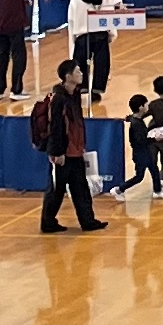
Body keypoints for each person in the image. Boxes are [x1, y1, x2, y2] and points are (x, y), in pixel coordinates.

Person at [36, 62, 102, 236]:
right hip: (63, 153)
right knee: (56, 190)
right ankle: (48, 222)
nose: (81, 73)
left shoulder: (75, 94)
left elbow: (76, 124)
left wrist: (81, 144)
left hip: (76, 150)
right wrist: (57, 152)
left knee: (81, 188)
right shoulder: (58, 99)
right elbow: (55, 127)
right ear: (68, 76)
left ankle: (88, 221)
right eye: (77, 71)